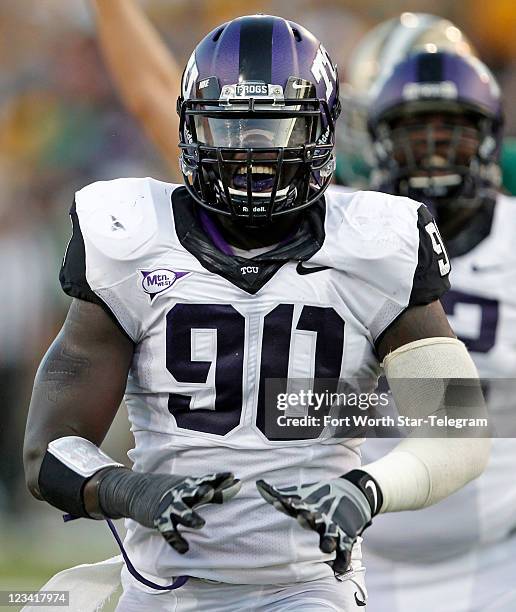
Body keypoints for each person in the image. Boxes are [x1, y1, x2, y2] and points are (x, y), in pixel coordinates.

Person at [24, 15, 490, 611]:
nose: (253, 153)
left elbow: (457, 428)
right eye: (231, 126)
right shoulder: (129, 234)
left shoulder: (379, 242)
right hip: (163, 587)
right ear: (191, 128)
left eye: (276, 129)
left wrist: (367, 489)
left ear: (320, 130)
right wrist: (129, 489)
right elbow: (48, 451)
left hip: (308, 585)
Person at [362, 50, 516, 611]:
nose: (432, 145)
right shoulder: (340, 233)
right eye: (413, 129)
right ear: (380, 141)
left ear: (489, 138)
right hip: (346, 555)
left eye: (452, 128)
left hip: (498, 561)